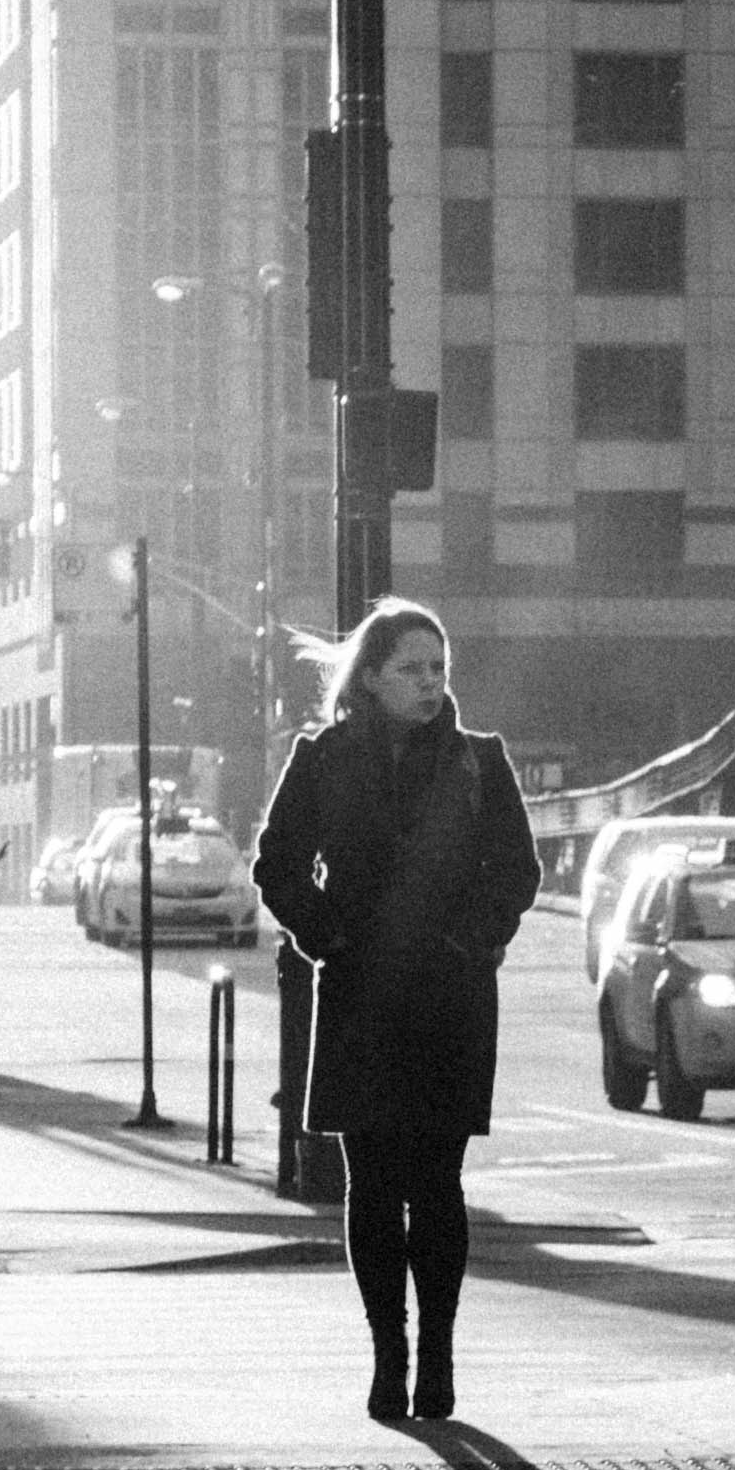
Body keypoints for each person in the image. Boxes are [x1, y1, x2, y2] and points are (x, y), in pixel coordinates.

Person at [253, 599, 542, 1425]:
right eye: (412, 668)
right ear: (372, 677)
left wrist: (473, 940)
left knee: (437, 1184)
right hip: (358, 995)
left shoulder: (480, 762)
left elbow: (516, 870)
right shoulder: (324, 758)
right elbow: (275, 863)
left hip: (449, 999)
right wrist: (324, 934)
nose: (429, 682)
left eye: (439, 668)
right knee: (374, 1188)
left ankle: (439, 1359)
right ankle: (390, 1358)